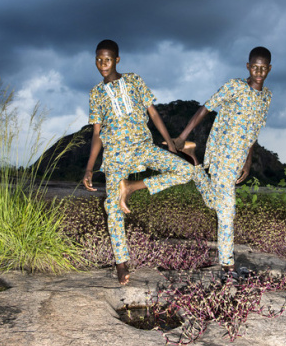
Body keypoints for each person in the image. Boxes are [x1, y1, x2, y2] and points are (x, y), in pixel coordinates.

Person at [83, 39, 196, 285]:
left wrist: (170, 143)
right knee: (113, 207)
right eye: (98, 60)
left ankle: (132, 187)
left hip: (143, 148)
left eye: (107, 59)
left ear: (117, 60)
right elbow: (97, 133)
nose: (102, 64)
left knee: (186, 170)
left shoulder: (134, 80)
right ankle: (121, 263)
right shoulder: (95, 93)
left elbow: (153, 112)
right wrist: (90, 167)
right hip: (115, 155)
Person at [175, 46, 272, 276]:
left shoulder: (266, 97)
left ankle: (194, 162)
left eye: (263, 68)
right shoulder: (234, 86)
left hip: (239, 158)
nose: (258, 72)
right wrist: (182, 136)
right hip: (221, 154)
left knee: (216, 203)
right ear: (248, 66)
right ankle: (228, 265)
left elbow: (253, 131)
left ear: (269, 69)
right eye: (254, 67)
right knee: (227, 210)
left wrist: (248, 161)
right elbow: (206, 108)